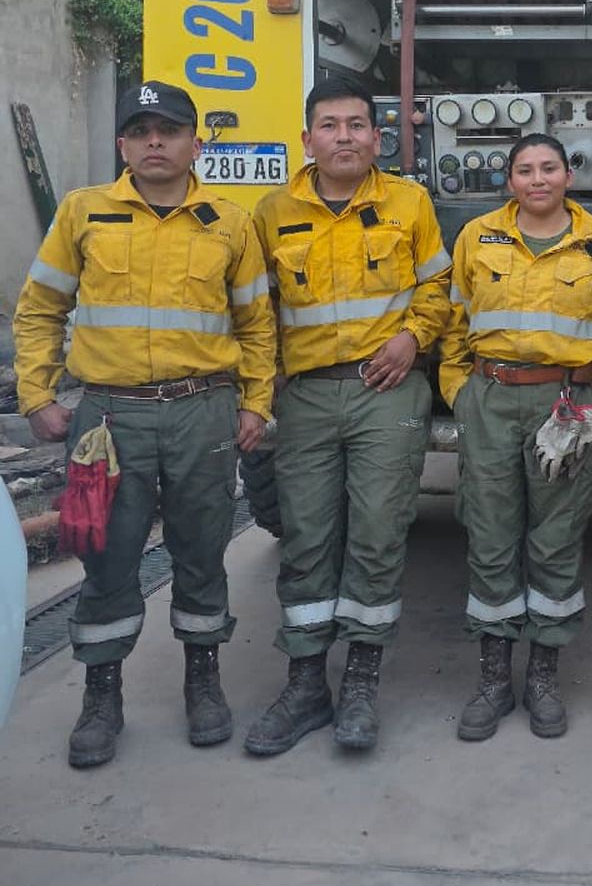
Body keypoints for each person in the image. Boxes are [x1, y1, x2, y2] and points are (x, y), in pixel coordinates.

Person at [13, 80, 275, 768]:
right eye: (140, 131)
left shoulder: (228, 222)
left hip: (202, 411)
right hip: (109, 417)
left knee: (202, 550)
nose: (155, 141)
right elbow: (39, 309)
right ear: (123, 145)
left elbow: (256, 323)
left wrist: (256, 402)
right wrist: (38, 395)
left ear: (195, 143)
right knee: (105, 554)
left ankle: (202, 681)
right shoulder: (84, 212)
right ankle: (101, 696)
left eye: (169, 130)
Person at [243, 79, 451, 757]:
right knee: (306, 538)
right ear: (307, 140)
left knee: (377, 534)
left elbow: (438, 285)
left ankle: (360, 682)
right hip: (305, 395)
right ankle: (306, 685)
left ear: (377, 138)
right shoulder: (272, 212)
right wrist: (261, 386)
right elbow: (256, 311)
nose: (344, 137)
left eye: (357, 125)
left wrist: (414, 337)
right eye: (329, 125)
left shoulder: (409, 203)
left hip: (385, 391)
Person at [439, 134, 592, 740]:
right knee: (490, 535)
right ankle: (494, 678)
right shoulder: (477, 237)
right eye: (525, 169)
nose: (538, 179)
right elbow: (454, 319)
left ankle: (543, 676)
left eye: (549, 168)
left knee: (557, 538)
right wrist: (460, 392)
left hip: (565, 403)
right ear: (509, 180)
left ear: (569, 176)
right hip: (490, 398)